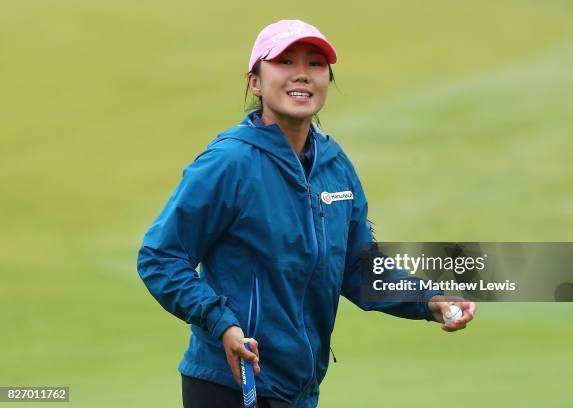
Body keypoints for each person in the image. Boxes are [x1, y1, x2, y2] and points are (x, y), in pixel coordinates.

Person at [137, 19, 476, 408]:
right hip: (233, 384)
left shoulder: (335, 166)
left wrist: (428, 300)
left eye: (316, 64)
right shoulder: (228, 163)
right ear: (255, 82)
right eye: (284, 61)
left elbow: (357, 267)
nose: (302, 73)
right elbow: (160, 257)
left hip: (299, 391)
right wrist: (222, 323)